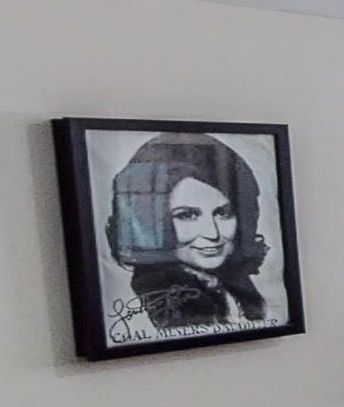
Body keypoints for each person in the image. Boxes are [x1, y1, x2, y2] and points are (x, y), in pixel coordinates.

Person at [104, 133, 272, 331]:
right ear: (151, 222)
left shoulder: (238, 286)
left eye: (223, 213)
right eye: (187, 215)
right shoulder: (150, 297)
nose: (212, 234)